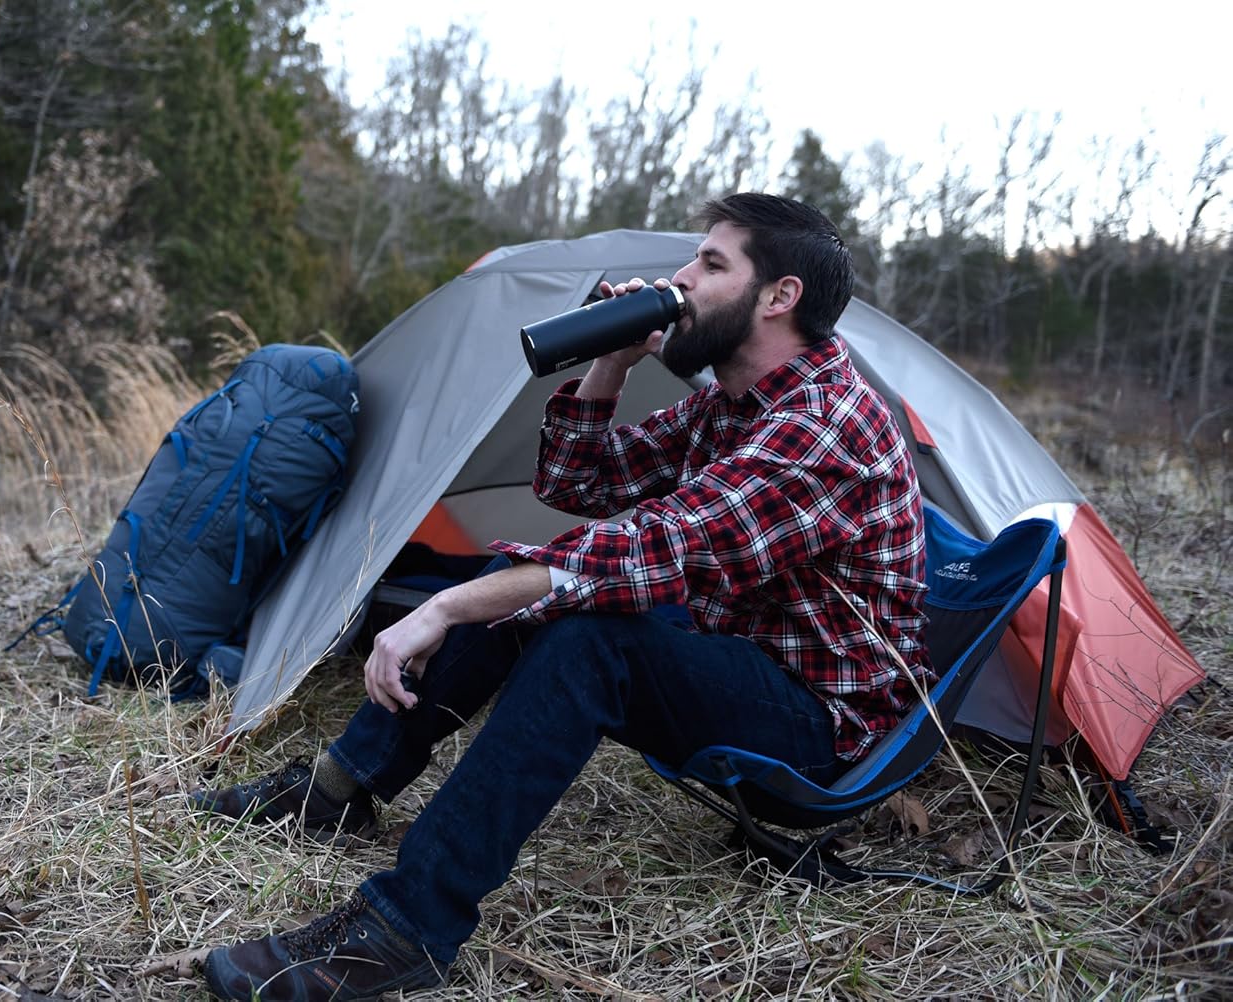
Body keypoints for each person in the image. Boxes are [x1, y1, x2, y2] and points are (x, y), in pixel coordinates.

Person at [170, 192, 931, 1001]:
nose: (681, 276)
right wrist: (613, 362)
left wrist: (445, 606)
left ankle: (405, 929)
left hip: (822, 726)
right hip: (742, 661)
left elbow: (655, 549)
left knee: (586, 641)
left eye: (711, 264)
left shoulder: (825, 421)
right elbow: (578, 484)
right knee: (533, 588)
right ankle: (338, 790)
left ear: (780, 296)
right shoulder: (730, 404)